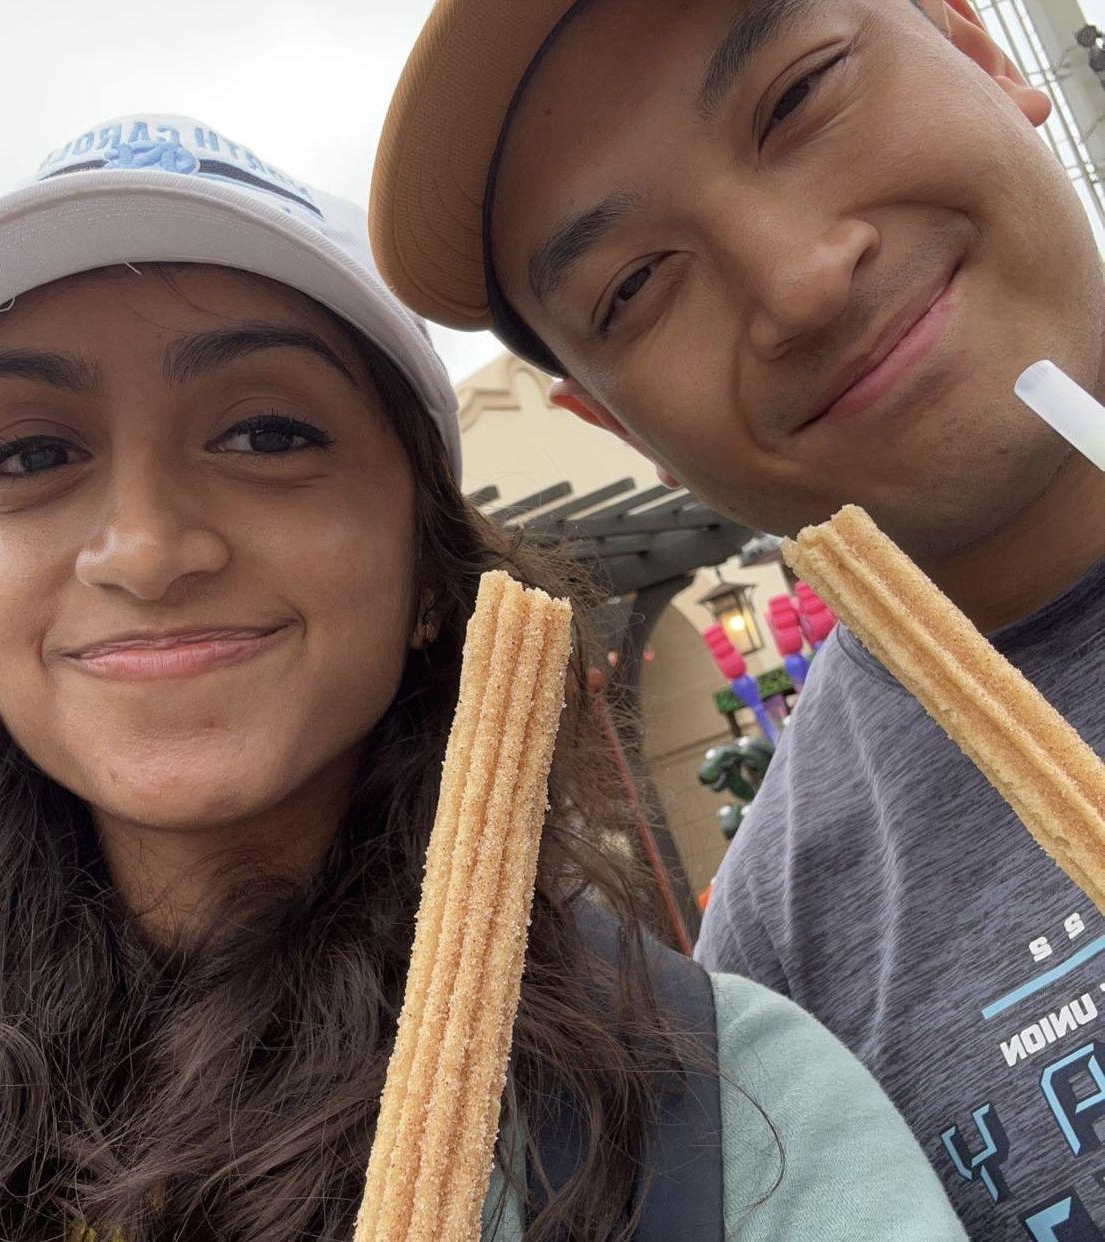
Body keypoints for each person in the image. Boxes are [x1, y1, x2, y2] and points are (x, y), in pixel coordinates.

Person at [0, 111, 968, 1240]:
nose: (143, 552)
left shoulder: (738, 1124)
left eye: (266, 435)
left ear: (429, 570)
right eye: (32, 454)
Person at [370, 1, 1105, 1237]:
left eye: (800, 96)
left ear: (980, 50)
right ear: (617, 428)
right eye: (635, 287)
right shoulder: (774, 979)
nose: (801, 283)